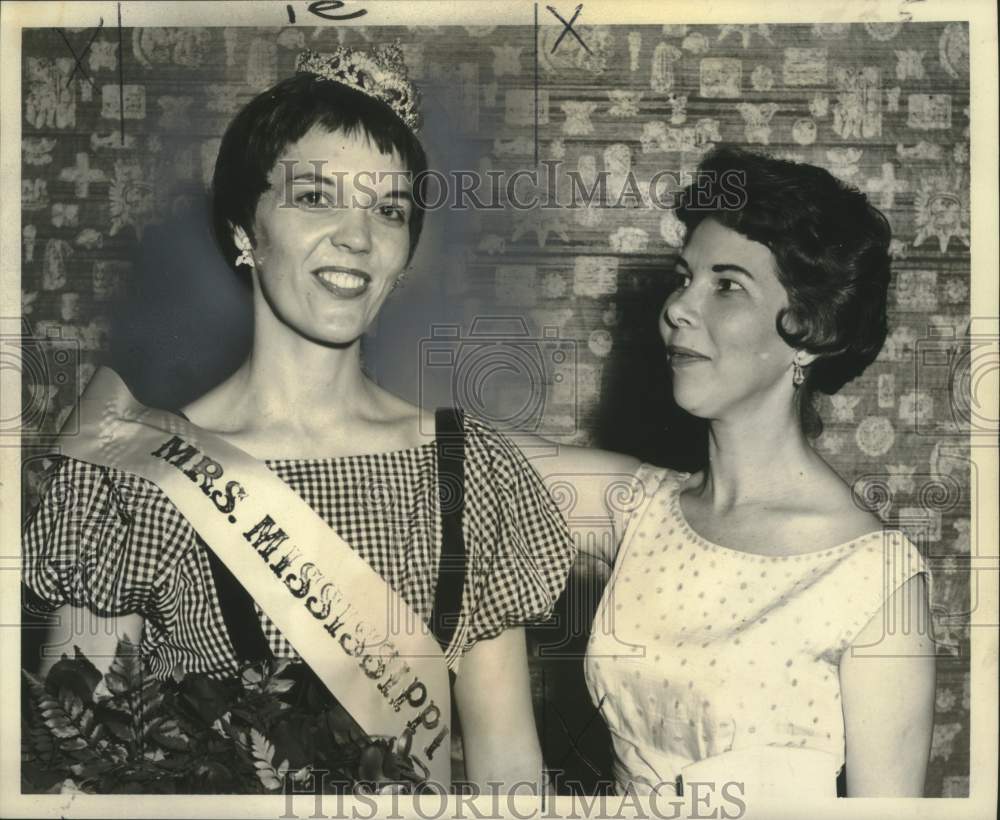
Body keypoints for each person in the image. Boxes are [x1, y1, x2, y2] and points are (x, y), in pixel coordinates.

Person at [21, 45, 577, 793]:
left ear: (406, 250)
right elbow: (76, 778)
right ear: (245, 230)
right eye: (316, 196)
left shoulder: (468, 472)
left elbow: (510, 777)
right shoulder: (127, 477)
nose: (358, 236)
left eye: (389, 210)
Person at [584, 146, 936, 799]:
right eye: (683, 278)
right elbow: (436, 447)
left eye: (726, 286)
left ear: (806, 330)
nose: (678, 308)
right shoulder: (637, 507)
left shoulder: (873, 578)